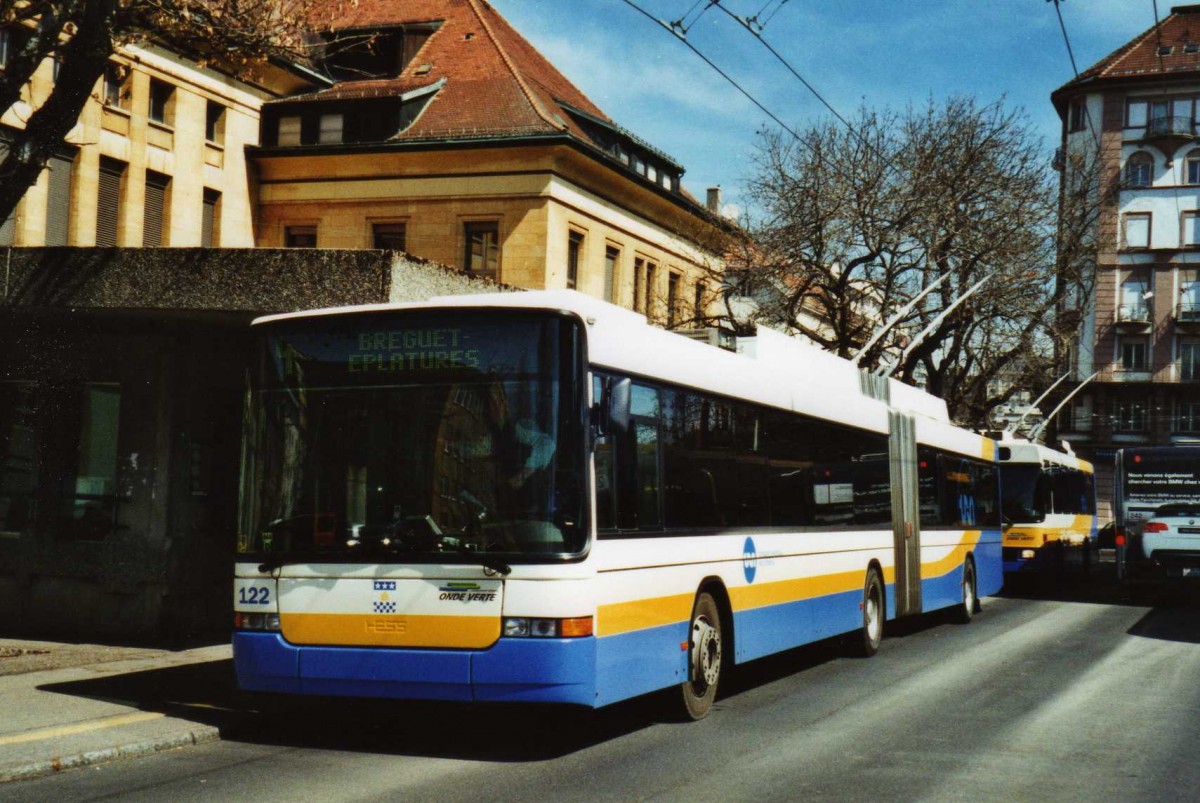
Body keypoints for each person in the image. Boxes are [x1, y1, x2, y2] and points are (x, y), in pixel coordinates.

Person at [509, 418, 555, 489]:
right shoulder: (538, 443)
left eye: (519, 433)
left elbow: (531, 466)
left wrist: (518, 479)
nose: (517, 436)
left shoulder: (546, 443)